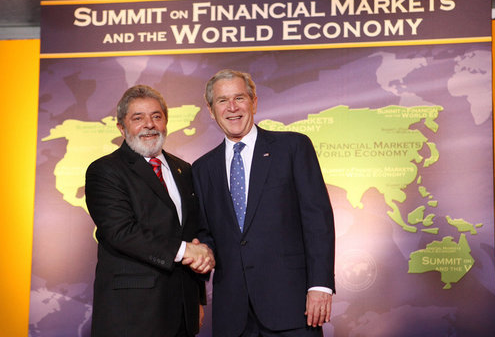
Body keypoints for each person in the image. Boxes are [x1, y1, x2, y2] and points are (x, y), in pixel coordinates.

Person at [192, 69, 335, 336]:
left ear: (254, 102)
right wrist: (203, 256)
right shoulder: (201, 169)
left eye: (239, 98)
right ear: (211, 110)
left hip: (292, 308)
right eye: (222, 101)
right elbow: (206, 234)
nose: (232, 108)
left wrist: (320, 286)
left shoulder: (293, 148)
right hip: (232, 316)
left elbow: (318, 220)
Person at [85, 84, 215, 337]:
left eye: (157, 116)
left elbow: (193, 231)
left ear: (166, 122)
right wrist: (185, 250)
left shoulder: (185, 170)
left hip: (182, 312)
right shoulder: (105, 170)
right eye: (138, 118)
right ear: (121, 128)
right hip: (132, 315)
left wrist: (197, 299)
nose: (149, 124)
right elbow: (121, 232)